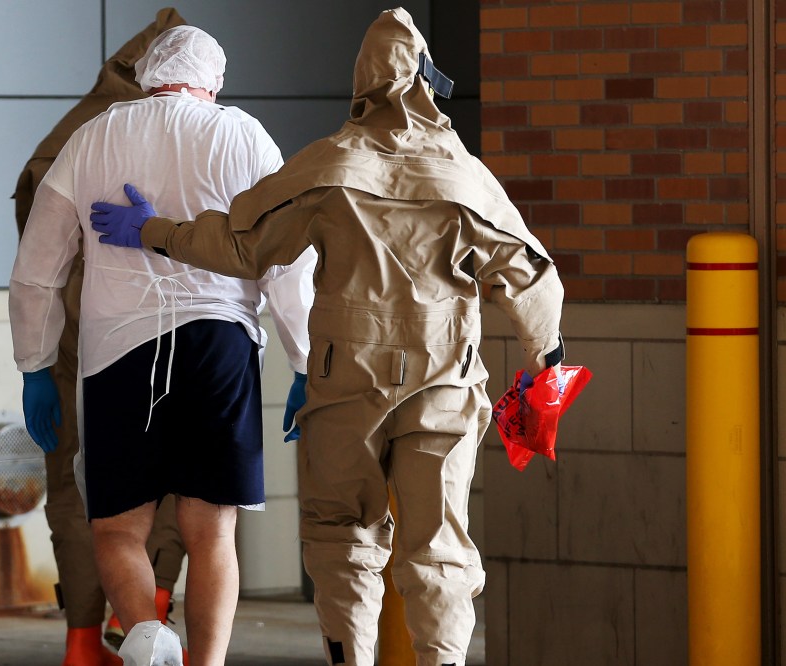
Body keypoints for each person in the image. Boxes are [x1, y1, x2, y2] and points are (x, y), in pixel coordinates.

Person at [86, 8, 565, 666]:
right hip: (446, 389)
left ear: (362, 81)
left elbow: (241, 243)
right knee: (441, 551)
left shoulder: (329, 166)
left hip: (347, 389)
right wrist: (548, 367)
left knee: (343, 544)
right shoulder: (465, 177)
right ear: (427, 82)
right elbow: (532, 275)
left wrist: (151, 231)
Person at [9, 23, 315, 666]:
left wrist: (35, 366)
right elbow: (287, 263)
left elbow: (39, 267)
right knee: (213, 533)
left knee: (118, 528)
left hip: (120, 355)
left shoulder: (91, 138)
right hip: (221, 347)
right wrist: (307, 363)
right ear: (214, 80)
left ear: (146, 74)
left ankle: (146, 641)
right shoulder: (244, 136)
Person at [11, 10, 191, 665]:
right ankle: (151, 616)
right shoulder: (186, 134)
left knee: (72, 482)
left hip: (70, 340)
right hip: (162, 333)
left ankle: (84, 640)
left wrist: (33, 363)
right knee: (175, 478)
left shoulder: (64, 140)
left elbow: (32, 258)